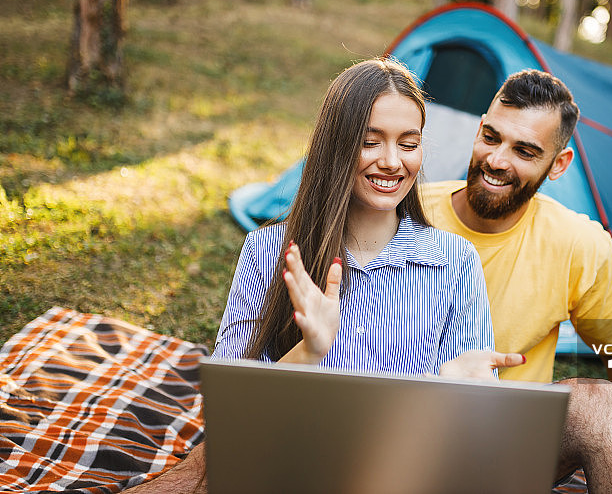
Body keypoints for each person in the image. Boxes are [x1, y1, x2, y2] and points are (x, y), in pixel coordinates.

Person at [124, 58, 523, 493]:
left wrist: (449, 389)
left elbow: (468, 443)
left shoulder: (455, 261)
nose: (392, 162)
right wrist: (308, 354)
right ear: (336, 146)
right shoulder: (268, 253)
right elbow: (232, 418)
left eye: (409, 144)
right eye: (371, 142)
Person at [422, 69, 612, 490]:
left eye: (524, 150)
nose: (497, 160)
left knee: (602, 405)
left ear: (558, 164)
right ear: (479, 127)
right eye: (491, 136)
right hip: (404, 423)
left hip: (506, 441)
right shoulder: (407, 212)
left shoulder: (580, 245)